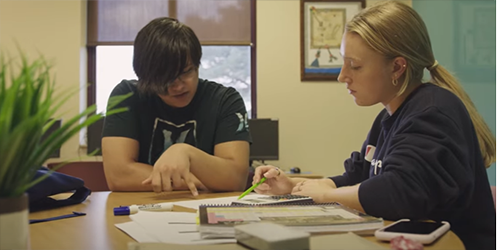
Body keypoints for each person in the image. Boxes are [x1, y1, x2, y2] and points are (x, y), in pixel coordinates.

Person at [252, 1, 495, 249]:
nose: (342, 76)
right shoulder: (389, 115)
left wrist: (324, 195)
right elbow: (359, 176)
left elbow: (399, 191)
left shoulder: (434, 111)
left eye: (355, 65)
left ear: (397, 67)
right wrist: (293, 187)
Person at [101, 17, 251, 196]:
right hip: (142, 209)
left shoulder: (225, 100)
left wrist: (186, 152)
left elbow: (235, 179)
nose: (178, 86)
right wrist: (199, 181)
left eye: (186, 72)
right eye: (165, 78)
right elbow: (118, 176)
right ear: (144, 77)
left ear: (197, 65)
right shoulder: (127, 96)